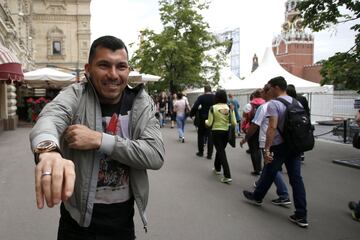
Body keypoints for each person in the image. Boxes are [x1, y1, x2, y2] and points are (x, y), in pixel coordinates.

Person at [29, 35, 165, 240]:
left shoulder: (141, 103)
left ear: (128, 70)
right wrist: (48, 152)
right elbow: (50, 117)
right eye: (103, 65)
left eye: (121, 66)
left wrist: (99, 140)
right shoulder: (75, 95)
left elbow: (155, 155)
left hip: (123, 223)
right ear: (88, 69)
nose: (113, 74)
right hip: (76, 225)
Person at [243, 76, 308, 228]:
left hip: (280, 145)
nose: (268, 90)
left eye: (270, 87)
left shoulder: (274, 104)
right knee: (294, 178)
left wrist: (267, 149)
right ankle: (301, 214)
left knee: (270, 170)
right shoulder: (296, 101)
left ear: (277, 87)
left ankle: (257, 197)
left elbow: (272, 128)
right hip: (295, 145)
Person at [240, 84, 291, 206]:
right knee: (269, 167)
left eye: (263, 91)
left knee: (271, 168)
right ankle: (259, 188)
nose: (262, 93)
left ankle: (283, 194)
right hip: (284, 141)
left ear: (269, 92)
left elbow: (256, 125)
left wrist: (246, 138)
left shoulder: (265, 107)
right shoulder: (285, 104)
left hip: (268, 140)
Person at [206, 89, 237, 183]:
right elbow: (234, 123)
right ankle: (217, 168)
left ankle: (227, 175)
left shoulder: (212, 108)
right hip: (226, 132)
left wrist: (205, 121)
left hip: (216, 132)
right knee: (220, 150)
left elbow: (209, 123)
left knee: (221, 152)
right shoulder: (229, 107)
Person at [242, 89, 265, 175]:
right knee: (261, 149)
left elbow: (244, 118)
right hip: (263, 129)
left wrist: (243, 128)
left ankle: (257, 169)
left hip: (251, 128)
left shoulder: (249, 105)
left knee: (253, 149)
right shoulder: (266, 104)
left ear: (254, 96)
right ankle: (264, 169)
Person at [190, 85, 215, 159]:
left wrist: (192, 114)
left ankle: (201, 152)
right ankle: (209, 154)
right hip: (212, 118)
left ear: (204, 90)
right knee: (210, 136)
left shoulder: (201, 97)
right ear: (210, 90)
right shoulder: (215, 97)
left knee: (201, 135)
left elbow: (195, 106)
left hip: (202, 119)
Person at [286, 84, 310, 161]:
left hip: (292, 123)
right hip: (303, 122)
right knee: (301, 137)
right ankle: (301, 153)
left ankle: (294, 154)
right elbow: (307, 111)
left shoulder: (288, 100)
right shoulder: (302, 99)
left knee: (294, 138)